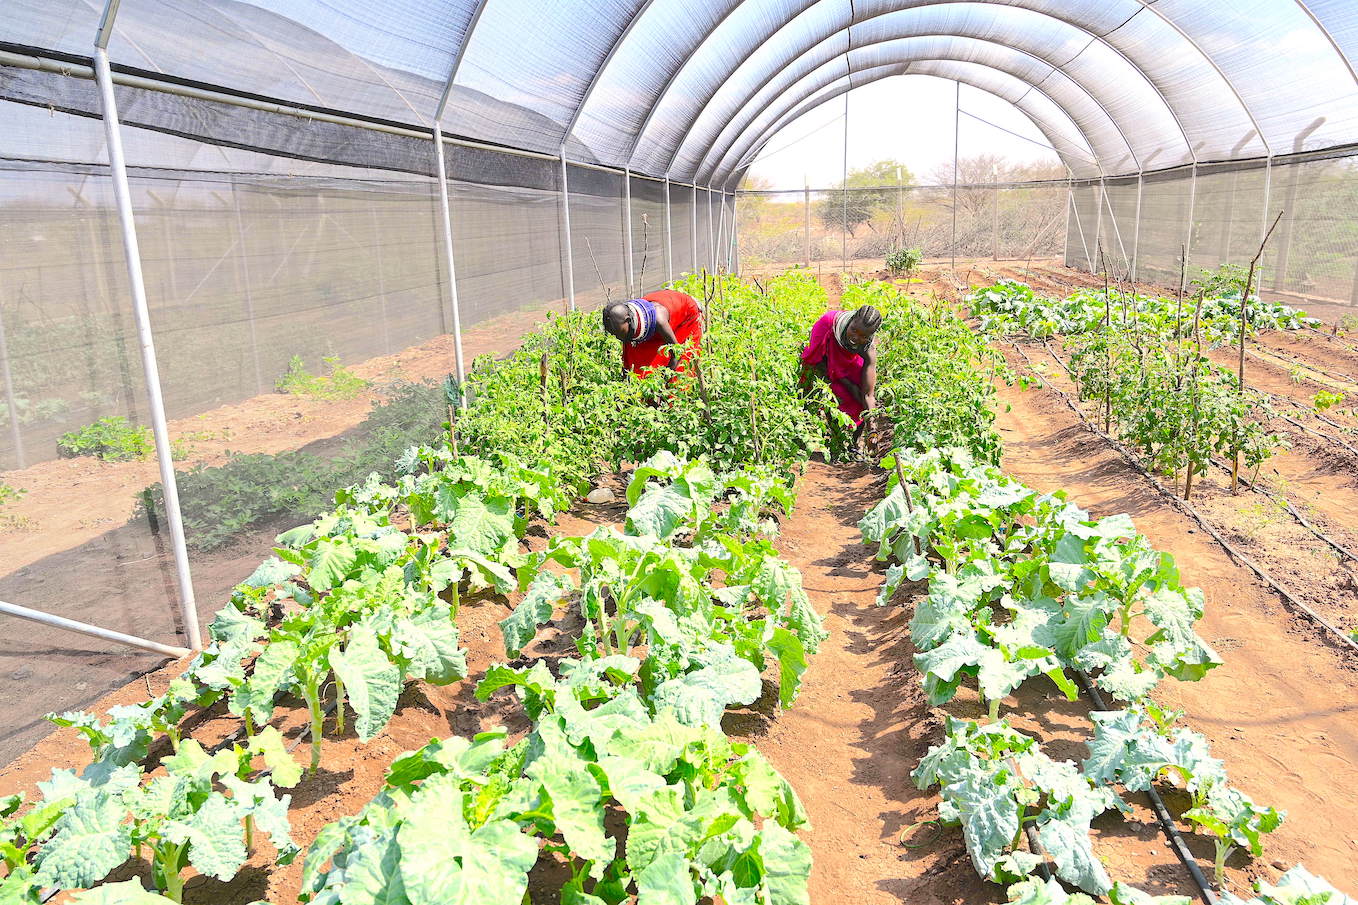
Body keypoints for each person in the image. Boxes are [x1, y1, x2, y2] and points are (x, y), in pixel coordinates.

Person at [799, 305, 882, 456]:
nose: (856, 337)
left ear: (870, 336)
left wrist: (873, 431)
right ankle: (802, 431)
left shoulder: (867, 350)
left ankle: (853, 444)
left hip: (846, 365)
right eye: (854, 330)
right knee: (828, 394)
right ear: (851, 320)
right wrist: (843, 381)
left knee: (858, 397)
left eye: (864, 336)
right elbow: (814, 359)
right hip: (822, 363)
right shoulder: (828, 324)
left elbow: (868, 395)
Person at [601, 289, 704, 378]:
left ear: (628, 320)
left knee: (680, 372)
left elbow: (676, 354)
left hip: (686, 316)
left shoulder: (659, 320)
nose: (617, 337)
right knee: (636, 359)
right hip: (662, 304)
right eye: (613, 334)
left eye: (618, 333)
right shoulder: (627, 320)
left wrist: (662, 385)